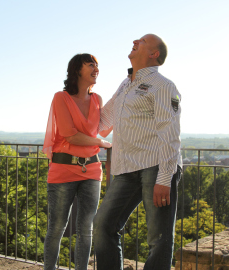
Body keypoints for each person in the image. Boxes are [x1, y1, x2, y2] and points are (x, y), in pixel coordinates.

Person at [93, 34, 182, 270]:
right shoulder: (126, 84)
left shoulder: (164, 85)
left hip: (156, 167)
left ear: (154, 54)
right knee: (103, 226)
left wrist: (165, 178)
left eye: (142, 41)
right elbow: (102, 122)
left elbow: (170, 134)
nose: (135, 40)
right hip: (127, 169)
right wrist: (78, 94)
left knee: (159, 238)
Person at [42, 53, 112, 270]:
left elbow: (100, 129)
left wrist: (123, 111)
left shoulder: (97, 100)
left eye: (97, 65)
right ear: (77, 70)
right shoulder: (60, 97)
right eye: (91, 64)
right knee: (57, 228)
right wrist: (101, 142)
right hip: (63, 169)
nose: (96, 68)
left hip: (91, 169)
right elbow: (70, 135)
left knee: (86, 229)